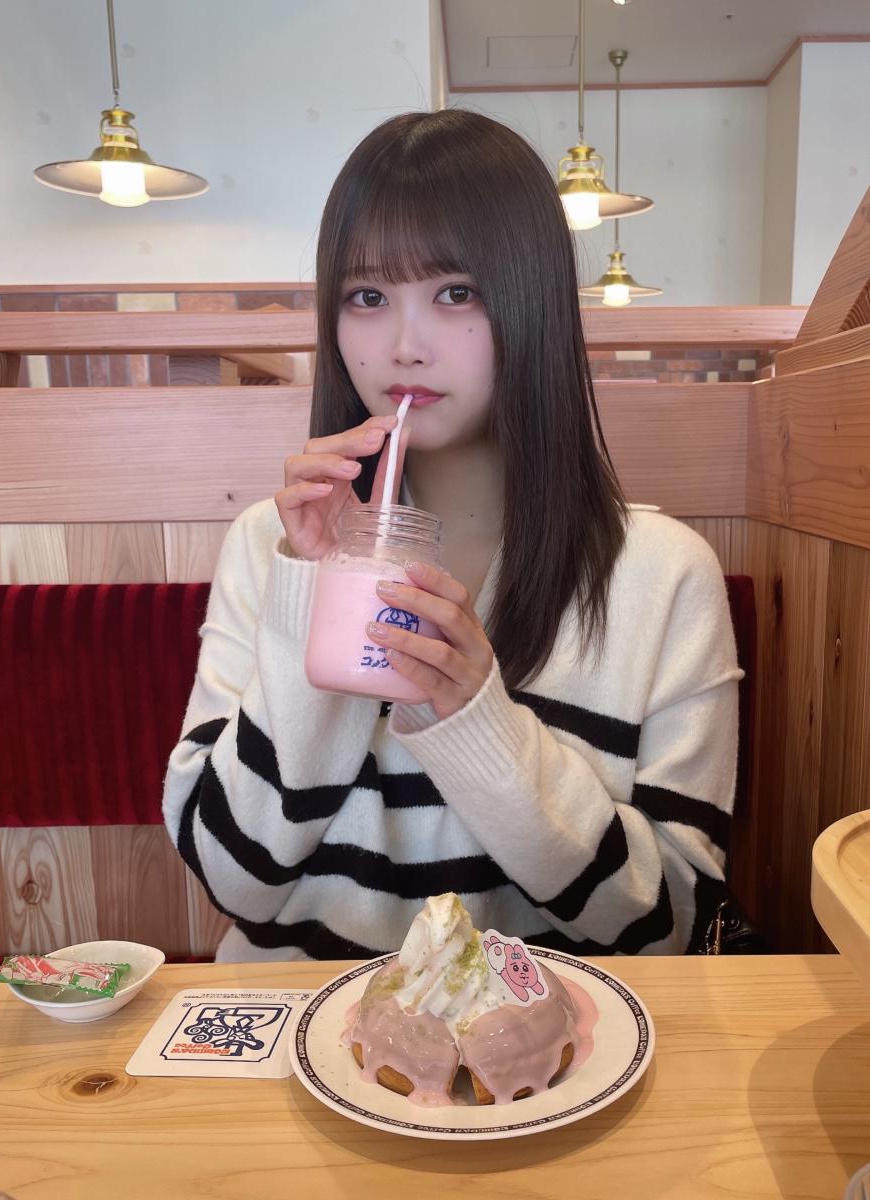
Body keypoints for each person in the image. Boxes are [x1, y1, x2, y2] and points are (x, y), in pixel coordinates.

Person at [162, 109, 742, 962]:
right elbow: (233, 880)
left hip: (548, 1036)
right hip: (298, 1026)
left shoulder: (663, 576)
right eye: (367, 297)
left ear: (532, 302)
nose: (404, 346)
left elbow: (668, 927)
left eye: (456, 293)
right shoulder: (271, 546)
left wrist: (479, 724)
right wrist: (311, 600)